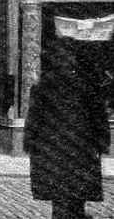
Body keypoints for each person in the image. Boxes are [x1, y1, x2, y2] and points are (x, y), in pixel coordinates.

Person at [26, 40, 109, 219]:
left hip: (53, 149)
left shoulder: (43, 84)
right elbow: (98, 115)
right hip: (81, 149)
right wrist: (103, 141)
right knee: (77, 196)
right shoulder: (87, 84)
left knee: (59, 197)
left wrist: (30, 141)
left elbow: (34, 116)